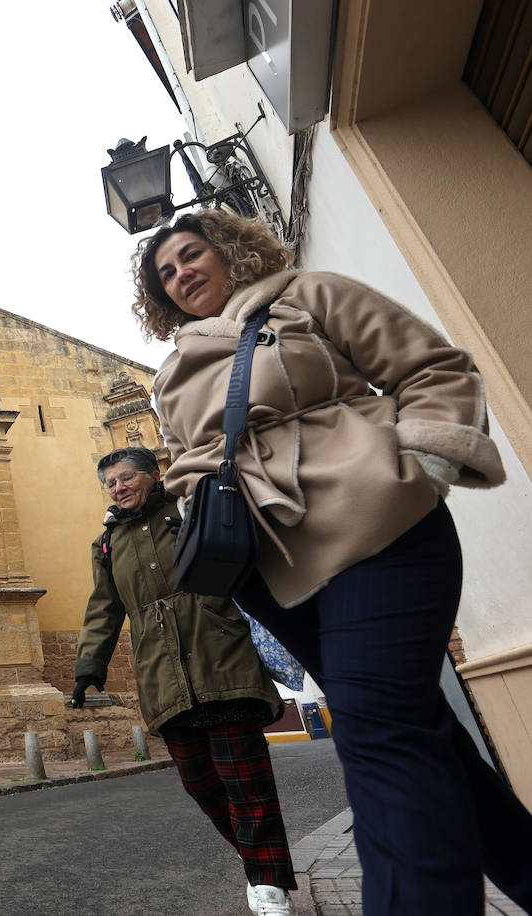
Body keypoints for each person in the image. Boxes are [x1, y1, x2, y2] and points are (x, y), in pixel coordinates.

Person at [136, 207, 532, 915]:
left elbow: (430, 366)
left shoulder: (310, 295)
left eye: (191, 255)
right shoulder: (171, 374)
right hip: (272, 570)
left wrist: (424, 463)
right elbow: (188, 459)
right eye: (166, 272)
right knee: (416, 731)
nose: (180, 273)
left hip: (376, 527)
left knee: (379, 732)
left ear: (231, 251)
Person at [74, 446, 295, 916]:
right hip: (162, 672)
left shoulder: (188, 506)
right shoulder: (108, 544)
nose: (118, 487)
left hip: (221, 653)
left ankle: (267, 882)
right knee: (199, 782)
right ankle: (259, 861)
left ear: (154, 475)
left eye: (127, 476)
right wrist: (89, 665)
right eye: (109, 483)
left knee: (246, 781)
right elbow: (104, 607)